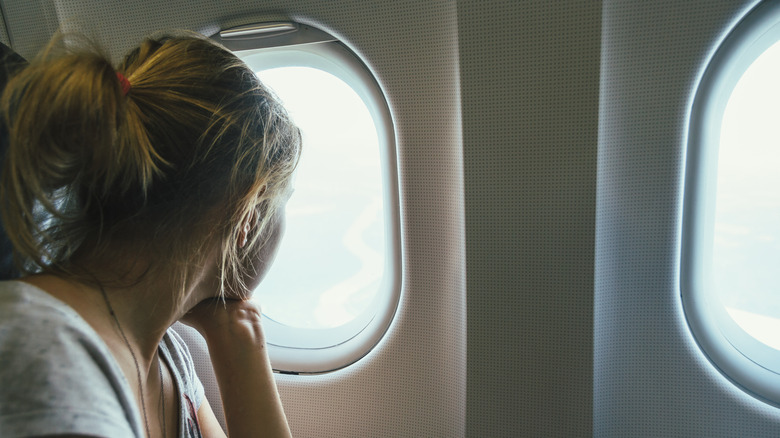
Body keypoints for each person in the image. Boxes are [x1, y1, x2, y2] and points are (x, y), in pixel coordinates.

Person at [0, 32, 301, 438]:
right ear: (248, 213)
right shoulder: (42, 364)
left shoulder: (168, 358)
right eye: (286, 199)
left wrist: (240, 330)